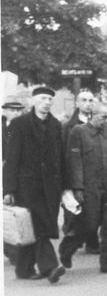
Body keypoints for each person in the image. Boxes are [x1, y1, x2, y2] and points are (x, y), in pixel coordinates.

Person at [3, 87, 65, 283]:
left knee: (32, 226)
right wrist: (9, 189)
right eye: (42, 98)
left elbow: (60, 157)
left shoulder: (56, 125)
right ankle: (50, 267)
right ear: (33, 101)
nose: (47, 102)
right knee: (39, 226)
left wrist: (65, 184)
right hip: (26, 185)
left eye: (49, 99)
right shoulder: (19, 124)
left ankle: (24, 268)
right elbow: (11, 158)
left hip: (50, 186)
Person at [60, 102, 107, 273]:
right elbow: (74, 161)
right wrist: (78, 188)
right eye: (104, 117)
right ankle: (67, 249)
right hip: (90, 187)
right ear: (93, 115)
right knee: (88, 224)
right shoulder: (78, 132)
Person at [62, 90, 100, 255]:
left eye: (91, 100)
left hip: (94, 172)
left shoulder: (99, 123)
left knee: (93, 208)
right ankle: (72, 239)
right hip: (74, 171)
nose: (88, 103)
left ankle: (92, 241)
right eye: (84, 100)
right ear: (77, 103)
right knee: (74, 208)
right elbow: (64, 152)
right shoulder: (68, 126)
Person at [2, 97, 24, 264]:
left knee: (13, 213)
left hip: (16, 176)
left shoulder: (25, 128)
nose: (16, 113)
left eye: (18, 110)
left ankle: (13, 251)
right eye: (12, 110)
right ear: (5, 111)